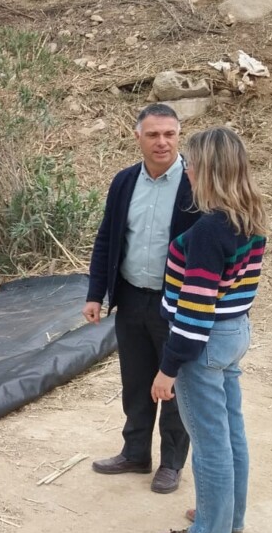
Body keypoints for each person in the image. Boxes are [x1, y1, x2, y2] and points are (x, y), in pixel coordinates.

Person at [151, 126, 266, 533]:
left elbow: (195, 310)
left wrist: (168, 368)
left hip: (204, 340)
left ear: (209, 171)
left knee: (208, 439)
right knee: (231, 430)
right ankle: (228, 517)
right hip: (235, 331)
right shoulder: (249, 217)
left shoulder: (207, 231)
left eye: (193, 164)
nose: (188, 171)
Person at [83, 103, 200, 494]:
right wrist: (96, 293)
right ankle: (135, 453)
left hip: (176, 302)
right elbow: (107, 238)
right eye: (153, 134)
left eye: (169, 134)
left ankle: (171, 463)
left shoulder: (196, 183)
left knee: (174, 385)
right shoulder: (124, 181)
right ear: (138, 137)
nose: (161, 142)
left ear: (179, 136)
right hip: (132, 296)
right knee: (135, 381)